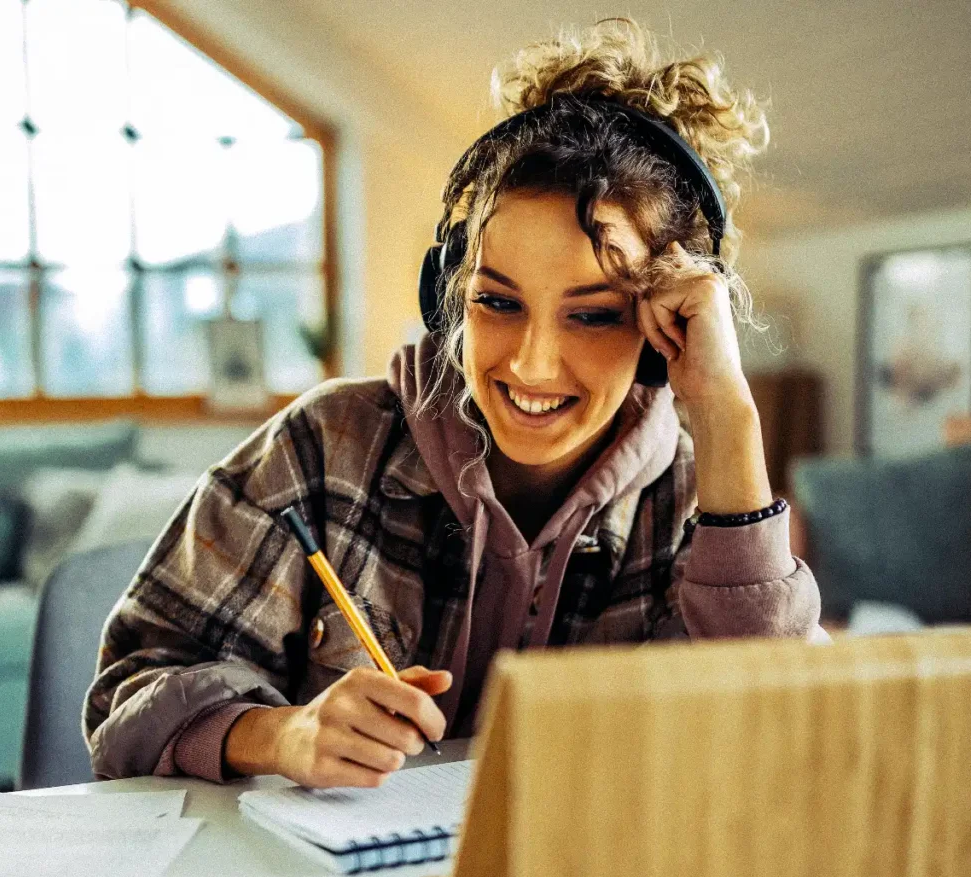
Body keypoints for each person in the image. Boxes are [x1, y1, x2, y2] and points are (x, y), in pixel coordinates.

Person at [84, 17, 823, 788]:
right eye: (497, 304)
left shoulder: (699, 497)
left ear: (658, 325)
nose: (534, 365)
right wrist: (284, 734)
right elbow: (124, 705)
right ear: (448, 298)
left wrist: (730, 419)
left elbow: (767, 737)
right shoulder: (323, 447)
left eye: (595, 313)